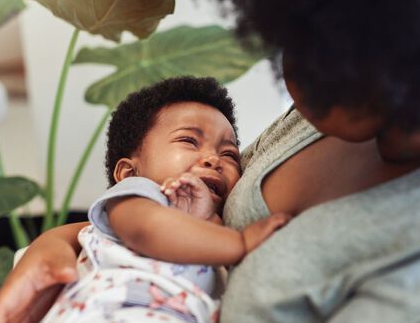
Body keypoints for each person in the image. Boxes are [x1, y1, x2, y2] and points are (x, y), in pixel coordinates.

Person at [0, 0, 420, 322]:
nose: (291, 71)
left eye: (318, 48)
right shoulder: (357, 104)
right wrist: (54, 249)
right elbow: (139, 219)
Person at [37, 76, 290, 323]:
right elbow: (146, 230)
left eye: (229, 154)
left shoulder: (219, 231)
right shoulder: (136, 196)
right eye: (189, 141)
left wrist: (209, 220)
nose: (213, 159)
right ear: (128, 172)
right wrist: (241, 243)